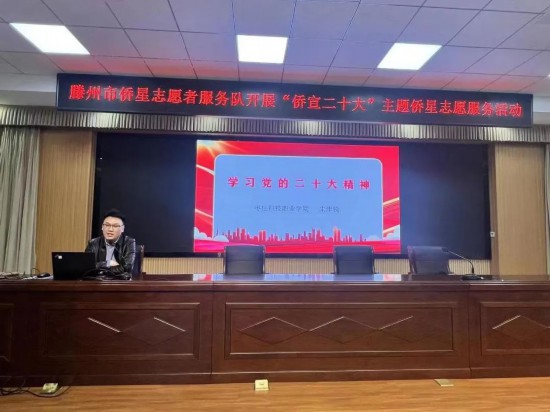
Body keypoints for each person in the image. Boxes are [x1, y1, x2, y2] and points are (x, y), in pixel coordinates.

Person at [85, 209, 136, 277]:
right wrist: (108, 263)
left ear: (122, 229)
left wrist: (100, 268)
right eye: (107, 225)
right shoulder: (93, 243)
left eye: (115, 226)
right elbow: (86, 267)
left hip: (120, 281)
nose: (110, 229)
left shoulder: (129, 242)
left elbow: (126, 268)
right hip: (98, 281)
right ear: (102, 227)